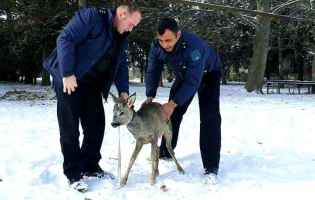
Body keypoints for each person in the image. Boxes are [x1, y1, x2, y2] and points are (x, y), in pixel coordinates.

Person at [44, 3, 141, 192]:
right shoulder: (91, 17)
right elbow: (66, 39)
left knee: (96, 125)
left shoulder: (122, 36)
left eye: (134, 26)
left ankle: (90, 165)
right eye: (131, 24)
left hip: (92, 84)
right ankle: (73, 173)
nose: (131, 28)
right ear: (121, 14)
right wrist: (68, 73)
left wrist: (123, 90)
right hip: (69, 79)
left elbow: (120, 64)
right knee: (70, 128)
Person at [143, 17, 221, 185]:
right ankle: (165, 152)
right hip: (185, 74)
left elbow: (194, 83)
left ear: (178, 34)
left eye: (168, 40)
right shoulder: (157, 46)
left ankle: (211, 168)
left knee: (209, 118)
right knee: (172, 114)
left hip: (208, 74)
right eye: (161, 40)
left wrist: (172, 103)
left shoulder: (195, 48)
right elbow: (153, 69)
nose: (165, 45)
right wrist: (150, 95)